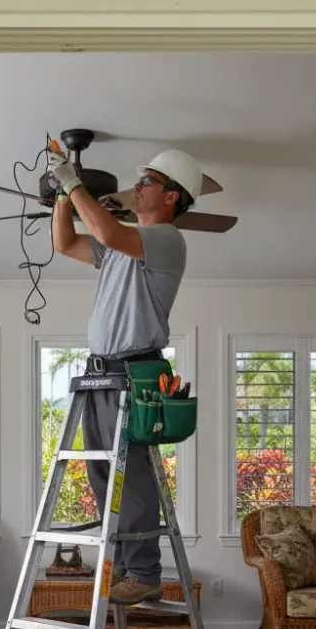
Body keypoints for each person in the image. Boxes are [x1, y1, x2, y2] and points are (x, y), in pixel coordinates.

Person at [48, 145, 202, 605]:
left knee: (129, 475)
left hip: (134, 373)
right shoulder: (120, 245)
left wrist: (74, 181)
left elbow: (108, 231)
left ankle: (145, 572)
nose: (138, 186)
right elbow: (65, 243)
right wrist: (62, 195)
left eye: (148, 182)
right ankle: (123, 565)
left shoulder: (166, 239)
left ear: (171, 197)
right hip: (101, 375)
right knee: (101, 473)